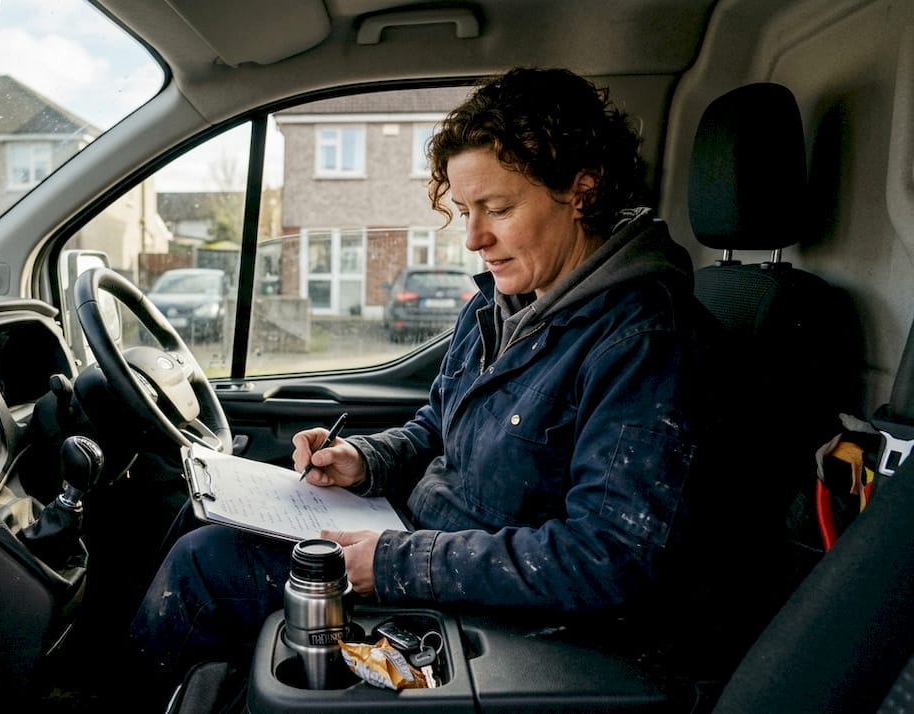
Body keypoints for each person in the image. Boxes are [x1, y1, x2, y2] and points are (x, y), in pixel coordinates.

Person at [126, 66, 723, 705]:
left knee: (201, 569)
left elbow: (612, 557)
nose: (473, 238)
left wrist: (395, 564)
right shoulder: (501, 302)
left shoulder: (644, 340)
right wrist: (365, 461)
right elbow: (438, 425)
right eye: (465, 211)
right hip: (418, 542)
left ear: (583, 188)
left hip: (506, 623)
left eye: (497, 209)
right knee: (200, 522)